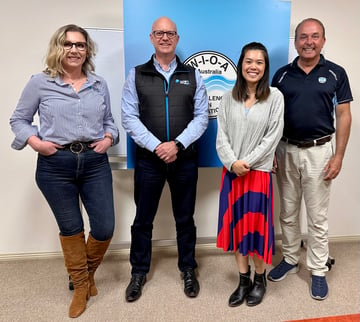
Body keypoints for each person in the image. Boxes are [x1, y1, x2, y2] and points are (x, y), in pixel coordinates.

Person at [9, 24, 119, 318]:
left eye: (80, 45)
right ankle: (82, 285)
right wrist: (36, 143)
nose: (74, 50)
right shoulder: (40, 83)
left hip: (95, 163)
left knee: (105, 226)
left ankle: (84, 274)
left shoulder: (99, 84)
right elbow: (19, 120)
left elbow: (110, 121)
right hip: (55, 165)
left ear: (88, 50)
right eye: (68, 44)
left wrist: (108, 138)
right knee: (72, 228)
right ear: (58, 48)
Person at [121, 16, 208, 302]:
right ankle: (139, 271)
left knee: (185, 218)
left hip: (184, 160)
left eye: (170, 33)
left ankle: (187, 269)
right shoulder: (136, 74)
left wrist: (178, 145)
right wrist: (159, 146)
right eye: (159, 33)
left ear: (177, 38)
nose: (165, 37)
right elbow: (129, 118)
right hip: (149, 160)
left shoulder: (193, 76)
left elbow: (201, 118)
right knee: (143, 220)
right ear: (151, 37)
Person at [267, 18, 352, 301]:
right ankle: (291, 258)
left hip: (320, 151)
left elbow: (343, 115)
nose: (309, 42)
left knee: (317, 217)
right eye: (303, 37)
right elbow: (271, 116)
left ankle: (317, 270)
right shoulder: (280, 75)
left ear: (323, 41)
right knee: (288, 211)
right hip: (285, 150)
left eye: (315, 36)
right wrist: (271, 152)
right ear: (296, 42)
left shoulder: (336, 73)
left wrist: (338, 156)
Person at [216, 42, 284, 307]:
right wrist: (233, 163)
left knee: (255, 231)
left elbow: (273, 136)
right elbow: (221, 136)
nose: (253, 66)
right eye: (249, 61)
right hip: (232, 174)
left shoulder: (275, 97)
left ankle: (259, 278)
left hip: (258, 175)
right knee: (237, 230)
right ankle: (243, 280)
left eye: (259, 62)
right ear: (240, 64)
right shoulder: (227, 97)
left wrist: (248, 162)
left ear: (265, 67)